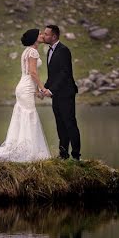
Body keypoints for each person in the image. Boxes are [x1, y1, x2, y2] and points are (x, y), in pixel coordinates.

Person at [0, 28, 51, 162]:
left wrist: (36, 91)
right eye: (40, 34)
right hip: (26, 87)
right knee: (29, 115)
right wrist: (42, 89)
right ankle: (28, 152)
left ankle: (22, 148)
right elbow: (33, 73)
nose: (42, 36)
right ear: (35, 38)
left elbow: (28, 73)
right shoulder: (33, 52)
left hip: (23, 86)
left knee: (24, 115)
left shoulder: (26, 52)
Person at [41, 25, 81, 160]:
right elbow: (53, 76)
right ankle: (63, 154)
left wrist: (51, 90)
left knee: (70, 123)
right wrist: (44, 88)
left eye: (46, 34)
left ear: (54, 36)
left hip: (66, 93)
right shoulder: (50, 51)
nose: (43, 36)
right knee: (60, 124)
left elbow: (65, 74)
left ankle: (76, 156)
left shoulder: (64, 50)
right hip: (56, 94)